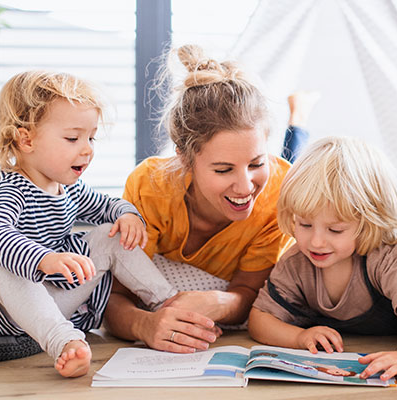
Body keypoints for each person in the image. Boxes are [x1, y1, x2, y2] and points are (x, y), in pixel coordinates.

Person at [0, 71, 177, 378]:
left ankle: (168, 301)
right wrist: (44, 259)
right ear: (27, 139)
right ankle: (65, 341)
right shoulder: (9, 191)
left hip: (51, 298)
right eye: (73, 138)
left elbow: (106, 205)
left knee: (108, 234)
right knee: (0, 266)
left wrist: (127, 215)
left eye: (91, 137)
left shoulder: (67, 187)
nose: (87, 149)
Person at [103, 45, 294, 353]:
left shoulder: (278, 192)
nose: (246, 187)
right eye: (223, 169)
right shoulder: (151, 187)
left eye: (257, 164)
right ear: (185, 159)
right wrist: (144, 325)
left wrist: (222, 301)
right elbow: (113, 295)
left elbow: (250, 292)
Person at [248, 137, 397, 387]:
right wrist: (299, 337)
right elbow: (259, 319)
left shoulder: (382, 257)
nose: (316, 242)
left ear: (367, 224)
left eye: (335, 230)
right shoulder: (296, 262)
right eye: (304, 224)